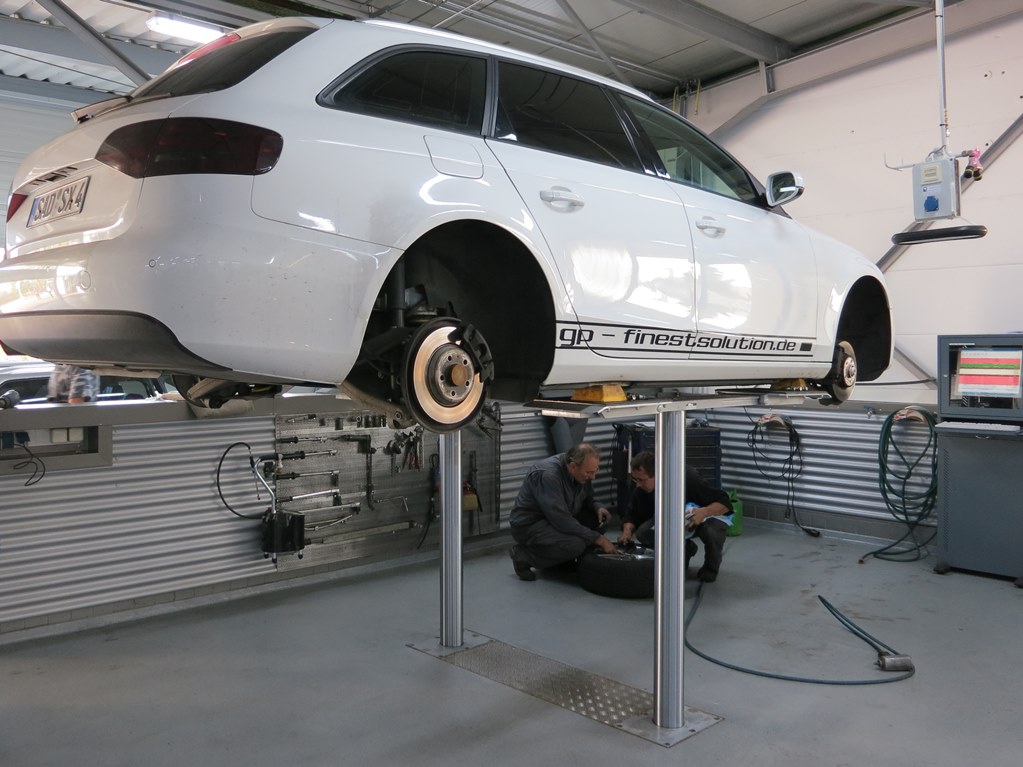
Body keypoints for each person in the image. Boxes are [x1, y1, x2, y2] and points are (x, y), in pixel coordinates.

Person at [619, 450, 733, 583]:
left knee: (711, 530)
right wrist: (627, 531)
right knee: (644, 533)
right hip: (673, 520)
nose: (637, 484)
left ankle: (710, 568)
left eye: (641, 480)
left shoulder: (688, 478)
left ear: (657, 474)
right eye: (635, 479)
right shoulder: (642, 489)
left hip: (701, 519)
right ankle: (686, 549)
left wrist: (704, 511)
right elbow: (632, 514)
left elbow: (725, 503)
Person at [508, 443, 617, 581]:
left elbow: (588, 496)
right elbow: (561, 520)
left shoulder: (581, 470)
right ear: (573, 466)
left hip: (559, 518)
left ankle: (561, 560)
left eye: (596, 471)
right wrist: (599, 539)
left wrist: (598, 507)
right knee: (576, 544)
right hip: (530, 525)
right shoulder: (548, 475)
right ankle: (523, 556)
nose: (593, 477)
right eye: (589, 472)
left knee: (599, 520)